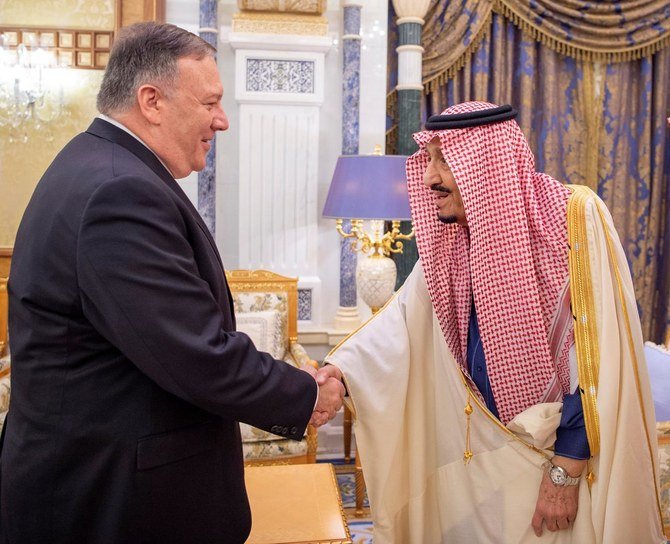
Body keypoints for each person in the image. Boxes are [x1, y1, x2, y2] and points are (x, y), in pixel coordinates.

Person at [0, 22, 344, 544]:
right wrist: (302, 394)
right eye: (210, 103)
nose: (222, 121)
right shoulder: (119, 192)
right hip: (112, 502)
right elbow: (192, 352)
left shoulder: (100, 166)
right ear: (152, 100)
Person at [318, 102, 664, 543]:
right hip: (476, 465)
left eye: (445, 160)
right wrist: (339, 375)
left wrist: (566, 469)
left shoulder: (574, 220)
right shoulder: (449, 240)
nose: (430, 178)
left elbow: (601, 357)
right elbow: (400, 327)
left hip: (554, 469)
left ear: (485, 165)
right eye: (430, 159)